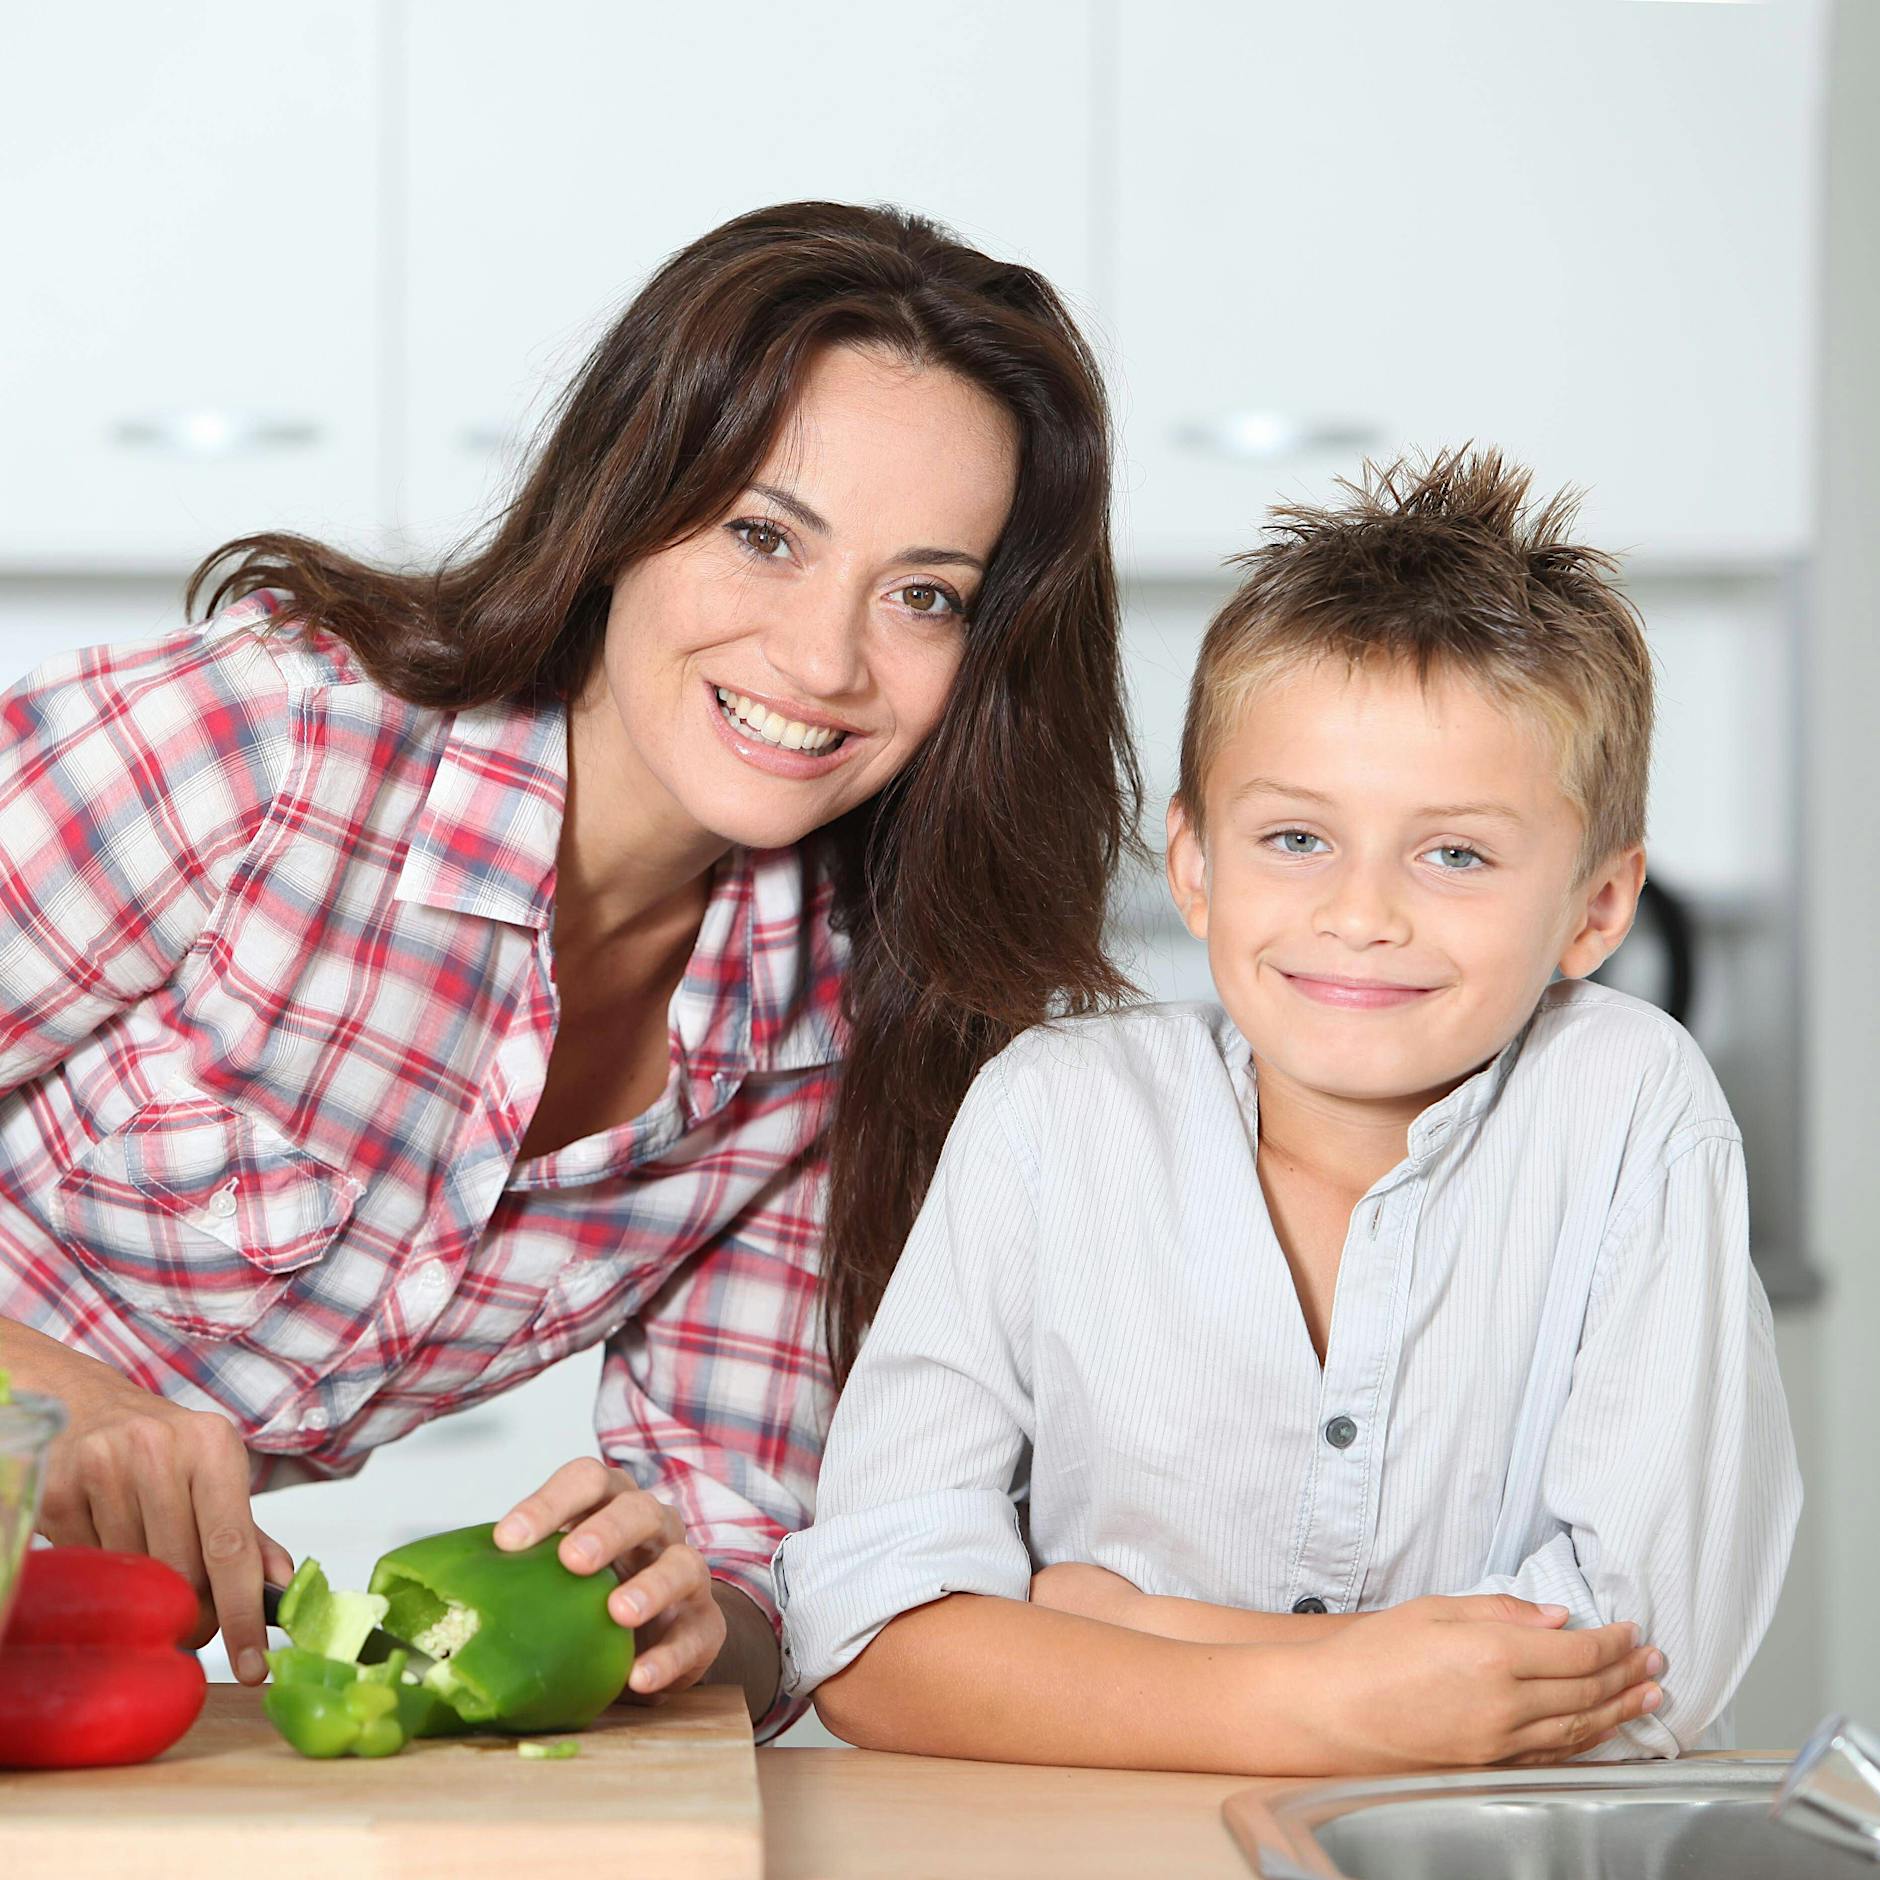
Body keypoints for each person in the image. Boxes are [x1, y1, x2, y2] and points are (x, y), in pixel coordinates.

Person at [0, 201, 1139, 1738]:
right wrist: (45, 1398)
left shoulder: (839, 1035)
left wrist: (670, 1609)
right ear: (625, 506)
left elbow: (746, 1563)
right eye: (764, 535)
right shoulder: (260, 754)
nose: (824, 661)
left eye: (923, 593)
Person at [775, 449, 1801, 1773]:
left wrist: (1144, 1630)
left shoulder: (1627, 1108)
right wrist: (1322, 1702)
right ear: (1195, 865)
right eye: (1298, 839)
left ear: (1597, 909)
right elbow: (868, 1631)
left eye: (1457, 854)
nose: (1361, 915)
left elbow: (1638, 1671)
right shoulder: (1058, 1115)